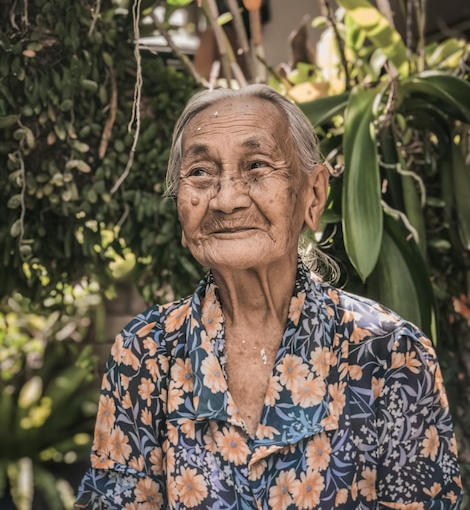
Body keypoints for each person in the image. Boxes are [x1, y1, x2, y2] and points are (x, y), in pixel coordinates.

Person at [76, 84, 463, 509]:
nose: (226, 200)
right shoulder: (145, 352)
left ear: (313, 196)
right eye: (201, 172)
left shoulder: (390, 354)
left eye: (256, 166)